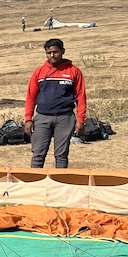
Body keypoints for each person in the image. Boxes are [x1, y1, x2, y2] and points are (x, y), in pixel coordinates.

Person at [23, 38, 87, 169]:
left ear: (63, 51)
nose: (52, 55)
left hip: (65, 118)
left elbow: (81, 97)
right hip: (42, 118)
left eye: (55, 52)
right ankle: (35, 181)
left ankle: (60, 181)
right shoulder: (39, 72)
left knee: (61, 155)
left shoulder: (74, 71)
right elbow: (30, 97)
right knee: (38, 155)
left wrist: (80, 120)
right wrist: (28, 119)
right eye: (49, 53)